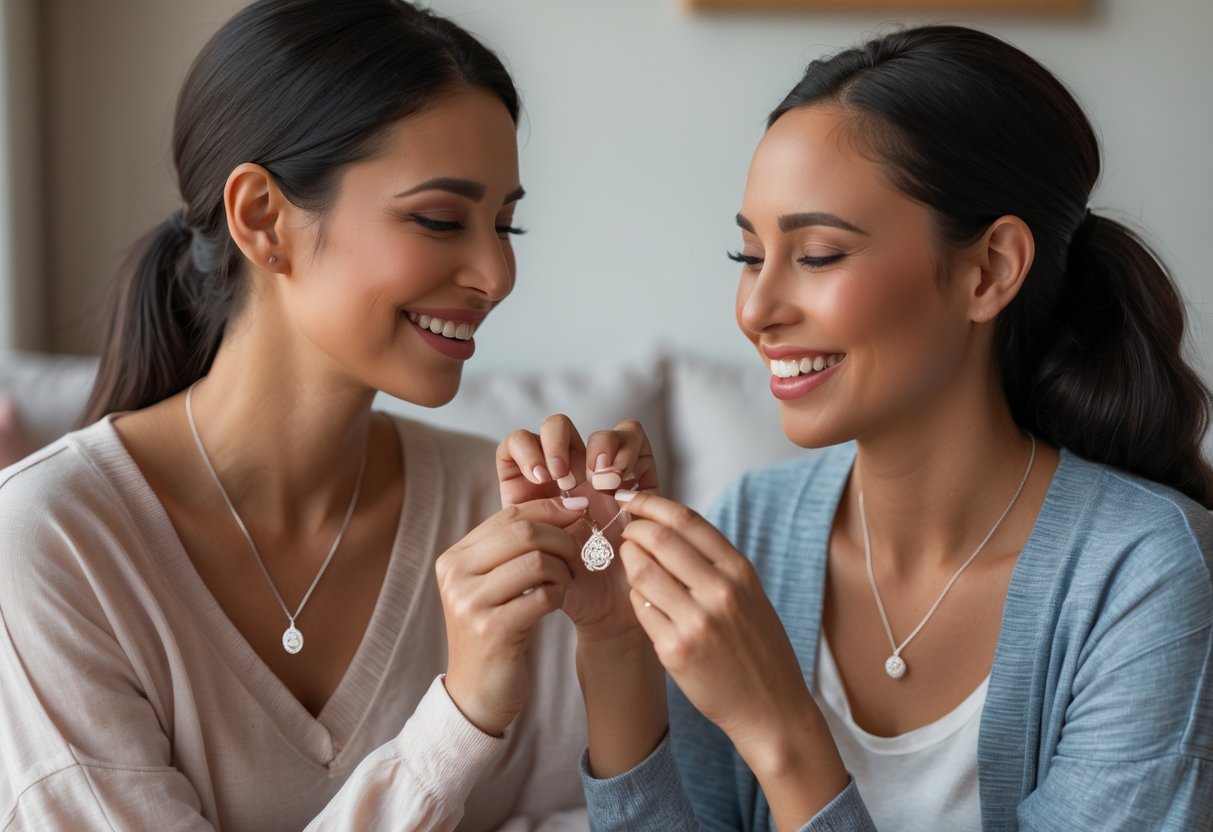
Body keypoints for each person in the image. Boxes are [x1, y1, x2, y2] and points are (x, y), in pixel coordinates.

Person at [0, 1, 657, 828]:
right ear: (262, 219)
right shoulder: (49, 542)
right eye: (439, 220)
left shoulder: (496, 512)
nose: (496, 274)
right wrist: (459, 720)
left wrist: (613, 637)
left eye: (504, 224)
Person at [574, 25, 1213, 831]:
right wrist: (613, 643)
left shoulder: (1145, 573)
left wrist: (782, 729)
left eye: (816, 255)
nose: (754, 310)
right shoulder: (751, 532)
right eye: (747, 256)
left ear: (988, 270)